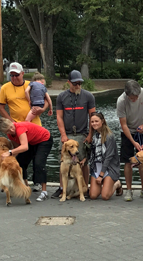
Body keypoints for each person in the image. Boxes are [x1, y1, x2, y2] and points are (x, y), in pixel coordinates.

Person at [53, 70, 96, 198]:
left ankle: (84, 187)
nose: (77, 85)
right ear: (68, 83)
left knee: (83, 161)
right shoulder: (61, 97)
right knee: (64, 161)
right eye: (75, 83)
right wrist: (63, 135)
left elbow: (92, 116)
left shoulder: (88, 96)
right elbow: (59, 117)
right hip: (67, 134)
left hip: (82, 134)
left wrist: (90, 135)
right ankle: (62, 188)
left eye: (79, 83)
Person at [117, 80, 143, 201]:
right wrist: (133, 142)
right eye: (132, 98)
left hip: (142, 131)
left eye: (136, 97)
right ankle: (129, 190)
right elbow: (123, 124)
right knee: (128, 161)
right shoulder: (121, 101)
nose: (135, 99)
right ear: (127, 95)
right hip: (127, 132)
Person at [0, 118, 54, 202]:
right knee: (20, 162)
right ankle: (25, 186)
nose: (12, 130)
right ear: (5, 132)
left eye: (11, 127)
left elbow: (24, 147)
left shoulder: (20, 128)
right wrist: (11, 158)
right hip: (31, 142)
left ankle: (44, 192)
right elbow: (17, 149)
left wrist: (9, 152)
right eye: (8, 130)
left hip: (44, 140)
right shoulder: (10, 135)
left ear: (12, 123)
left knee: (38, 163)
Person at [87, 112, 122, 200]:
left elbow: (109, 157)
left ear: (102, 121)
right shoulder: (94, 135)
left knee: (105, 196)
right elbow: (92, 153)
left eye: (96, 121)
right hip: (97, 166)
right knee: (93, 195)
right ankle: (105, 184)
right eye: (92, 122)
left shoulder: (109, 136)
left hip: (109, 167)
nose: (94, 123)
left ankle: (117, 184)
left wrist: (101, 175)